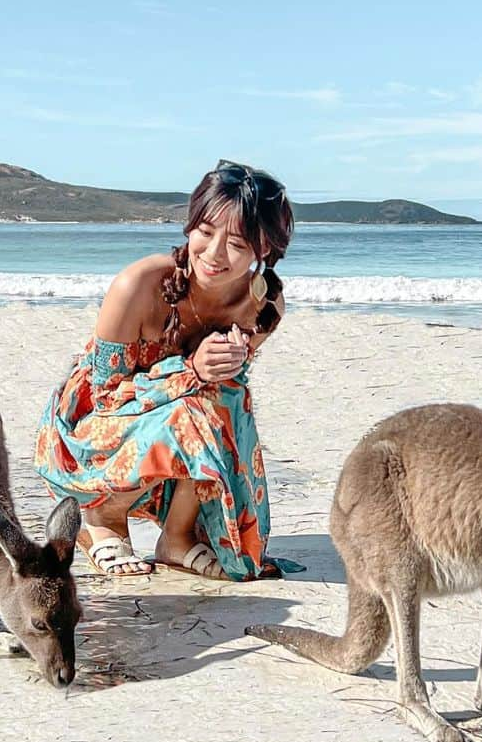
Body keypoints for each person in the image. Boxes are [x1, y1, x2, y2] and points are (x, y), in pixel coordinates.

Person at [33, 159, 295, 580]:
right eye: (205, 233)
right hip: (91, 433)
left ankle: (177, 535)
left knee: (223, 396)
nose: (213, 254)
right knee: (199, 403)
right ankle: (103, 516)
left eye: (237, 244)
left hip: (175, 426)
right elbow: (103, 397)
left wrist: (215, 372)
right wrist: (191, 369)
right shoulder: (137, 285)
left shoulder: (263, 306)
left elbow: (230, 405)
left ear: (265, 250)